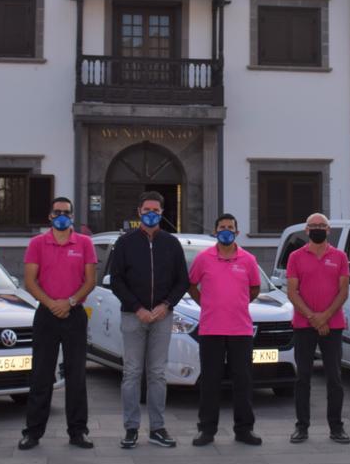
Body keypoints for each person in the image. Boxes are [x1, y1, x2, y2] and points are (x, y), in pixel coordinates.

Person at [108, 190, 189, 449]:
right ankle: (131, 428)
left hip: (162, 317)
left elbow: (182, 281)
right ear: (139, 212)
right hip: (133, 316)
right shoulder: (125, 243)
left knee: (157, 373)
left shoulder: (171, 243)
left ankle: (157, 428)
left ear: (162, 213)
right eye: (147, 210)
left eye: (156, 210)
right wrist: (137, 307)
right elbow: (117, 280)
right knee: (131, 373)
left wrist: (166, 305)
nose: (151, 214)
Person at [19, 197, 97, 450]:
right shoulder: (37, 243)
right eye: (57, 212)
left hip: (74, 313)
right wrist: (52, 303)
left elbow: (90, 280)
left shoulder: (84, 243)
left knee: (76, 376)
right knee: (41, 374)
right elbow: (30, 281)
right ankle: (33, 432)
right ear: (50, 216)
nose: (62, 215)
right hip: (46, 314)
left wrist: (70, 302)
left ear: (72, 216)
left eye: (66, 212)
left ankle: (78, 431)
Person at [189, 213, 262, 446]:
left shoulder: (249, 259)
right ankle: (207, 430)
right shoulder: (203, 258)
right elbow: (191, 285)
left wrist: (236, 304)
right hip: (211, 330)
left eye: (230, 227)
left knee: (243, 381)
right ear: (215, 231)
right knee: (210, 381)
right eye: (222, 227)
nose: (226, 230)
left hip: (240, 330)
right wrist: (207, 303)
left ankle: (244, 429)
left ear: (237, 232)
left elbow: (255, 289)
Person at [285, 213, 350, 444]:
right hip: (304, 325)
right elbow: (292, 291)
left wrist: (325, 317)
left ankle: (336, 427)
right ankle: (301, 426)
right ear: (306, 230)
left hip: (333, 325)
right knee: (303, 377)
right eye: (313, 226)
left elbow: (343, 291)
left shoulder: (340, 256)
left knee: (335, 378)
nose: (318, 229)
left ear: (328, 229)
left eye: (322, 226)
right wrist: (313, 318)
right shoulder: (295, 257)